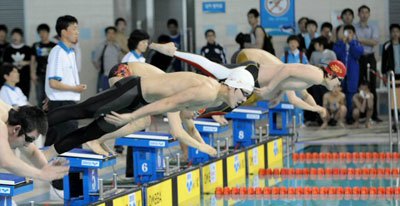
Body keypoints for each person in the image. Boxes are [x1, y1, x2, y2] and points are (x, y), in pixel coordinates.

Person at [40, 59, 255, 160]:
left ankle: (48, 153)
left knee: (93, 131)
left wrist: (203, 145)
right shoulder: (207, 91)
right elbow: (167, 104)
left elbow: (185, 122)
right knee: (84, 111)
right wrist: (131, 116)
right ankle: (29, 122)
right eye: (244, 94)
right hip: (133, 88)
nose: (244, 99)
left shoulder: (214, 98)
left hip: (140, 100)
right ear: (234, 85)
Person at [149, 43, 346, 121]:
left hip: (252, 75)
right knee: (223, 90)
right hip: (252, 76)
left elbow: (295, 95)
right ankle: (196, 110)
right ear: (331, 75)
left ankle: (173, 53)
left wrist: (317, 109)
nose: (339, 85)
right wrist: (270, 87)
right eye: (339, 80)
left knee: (214, 72)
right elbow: (287, 69)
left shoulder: (313, 79)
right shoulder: (315, 75)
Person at [0, 99, 69, 181]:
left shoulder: (14, 117)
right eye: (29, 139)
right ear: (16, 129)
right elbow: (6, 161)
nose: (27, 145)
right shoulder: (1, 124)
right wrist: (41, 174)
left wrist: (46, 167)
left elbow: (32, 152)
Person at [44, 15, 86, 148]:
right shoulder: (58, 52)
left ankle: (71, 169)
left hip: (67, 103)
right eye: (74, 29)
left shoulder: (70, 52)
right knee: (64, 144)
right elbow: (53, 83)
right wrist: (75, 89)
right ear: (63, 32)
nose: (77, 32)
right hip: (61, 105)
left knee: (68, 143)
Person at [354, 5, 381, 122]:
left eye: (366, 13)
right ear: (358, 14)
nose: (364, 15)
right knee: (359, 85)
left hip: (370, 57)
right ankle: (361, 114)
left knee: (372, 85)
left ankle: (374, 115)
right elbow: (353, 42)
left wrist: (360, 40)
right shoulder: (354, 27)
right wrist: (366, 42)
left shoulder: (373, 27)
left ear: (369, 15)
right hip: (358, 58)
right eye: (362, 12)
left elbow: (374, 42)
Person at [333, 25, 364, 123]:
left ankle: (350, 117)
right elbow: (337, 54)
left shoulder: (356, 44)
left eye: (350, 32)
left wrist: (351, 43)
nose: (348, 34)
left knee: (351, 94)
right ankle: (339, 117)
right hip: (340, 73)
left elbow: (357, 54)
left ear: (353, 34)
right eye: (346, 32)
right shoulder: (338, 44)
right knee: (339, 93)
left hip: (352, 73)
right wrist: (343, 43)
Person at [31, 24, 57, 105]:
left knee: (51, 97)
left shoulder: (54, 46)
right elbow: (32, 61)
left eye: (44, 32)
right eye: (40, 32)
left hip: (51, 76)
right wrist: (32, 74)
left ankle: (51, 116)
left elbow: (56, 62)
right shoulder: (35, 46)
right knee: (40, 96)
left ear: (48, 33)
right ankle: (40, 116)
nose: (42, 34)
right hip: (39, 75)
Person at [3, 28, 32, 98]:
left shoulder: (27, 49)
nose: (15, 37)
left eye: (17, 35)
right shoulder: (7, 49)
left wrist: (26, 63)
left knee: (24, 96)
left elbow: (32, 62)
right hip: (11, 78)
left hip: (25, 77)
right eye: (13, 35)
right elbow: (4, 63)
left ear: (21, 37)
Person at [382, 23, 400, 131]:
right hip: (393, 75)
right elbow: (384, 62)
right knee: (394, 99)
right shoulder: (387, 45)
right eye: (393, 31)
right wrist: (385, 74)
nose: (395, 34)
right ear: (390, 33)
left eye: (397, 31)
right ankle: (395, 121)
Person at [92, 26, 121, 92]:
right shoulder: (101, 46)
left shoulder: (117, 46)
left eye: (113, 33)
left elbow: (119, 60)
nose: (111, 35)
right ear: (106, 34)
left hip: (115, 77)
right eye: (109, 33)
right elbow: (95, 60)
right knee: (103, 96)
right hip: (104, 76)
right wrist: (100, 69)